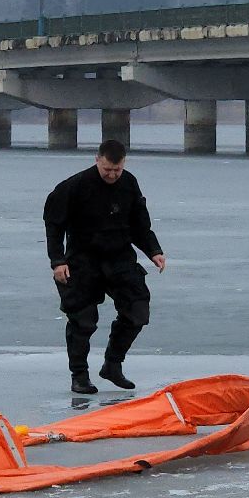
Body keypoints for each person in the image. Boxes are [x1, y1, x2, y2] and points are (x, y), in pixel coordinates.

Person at [43, 139, 166, 394]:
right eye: (107, 169)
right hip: (82, 259)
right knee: (83, 321)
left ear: (124, 164)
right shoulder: (74, 186)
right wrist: (57, 261)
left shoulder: (129, 183)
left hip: (119, 257)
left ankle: (112, 364)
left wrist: (154, 251)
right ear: (97, 159)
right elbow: (54, 225)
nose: (112, 174)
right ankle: (79, 376)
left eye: (117, 170)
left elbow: (140, 225)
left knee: (138, 312)